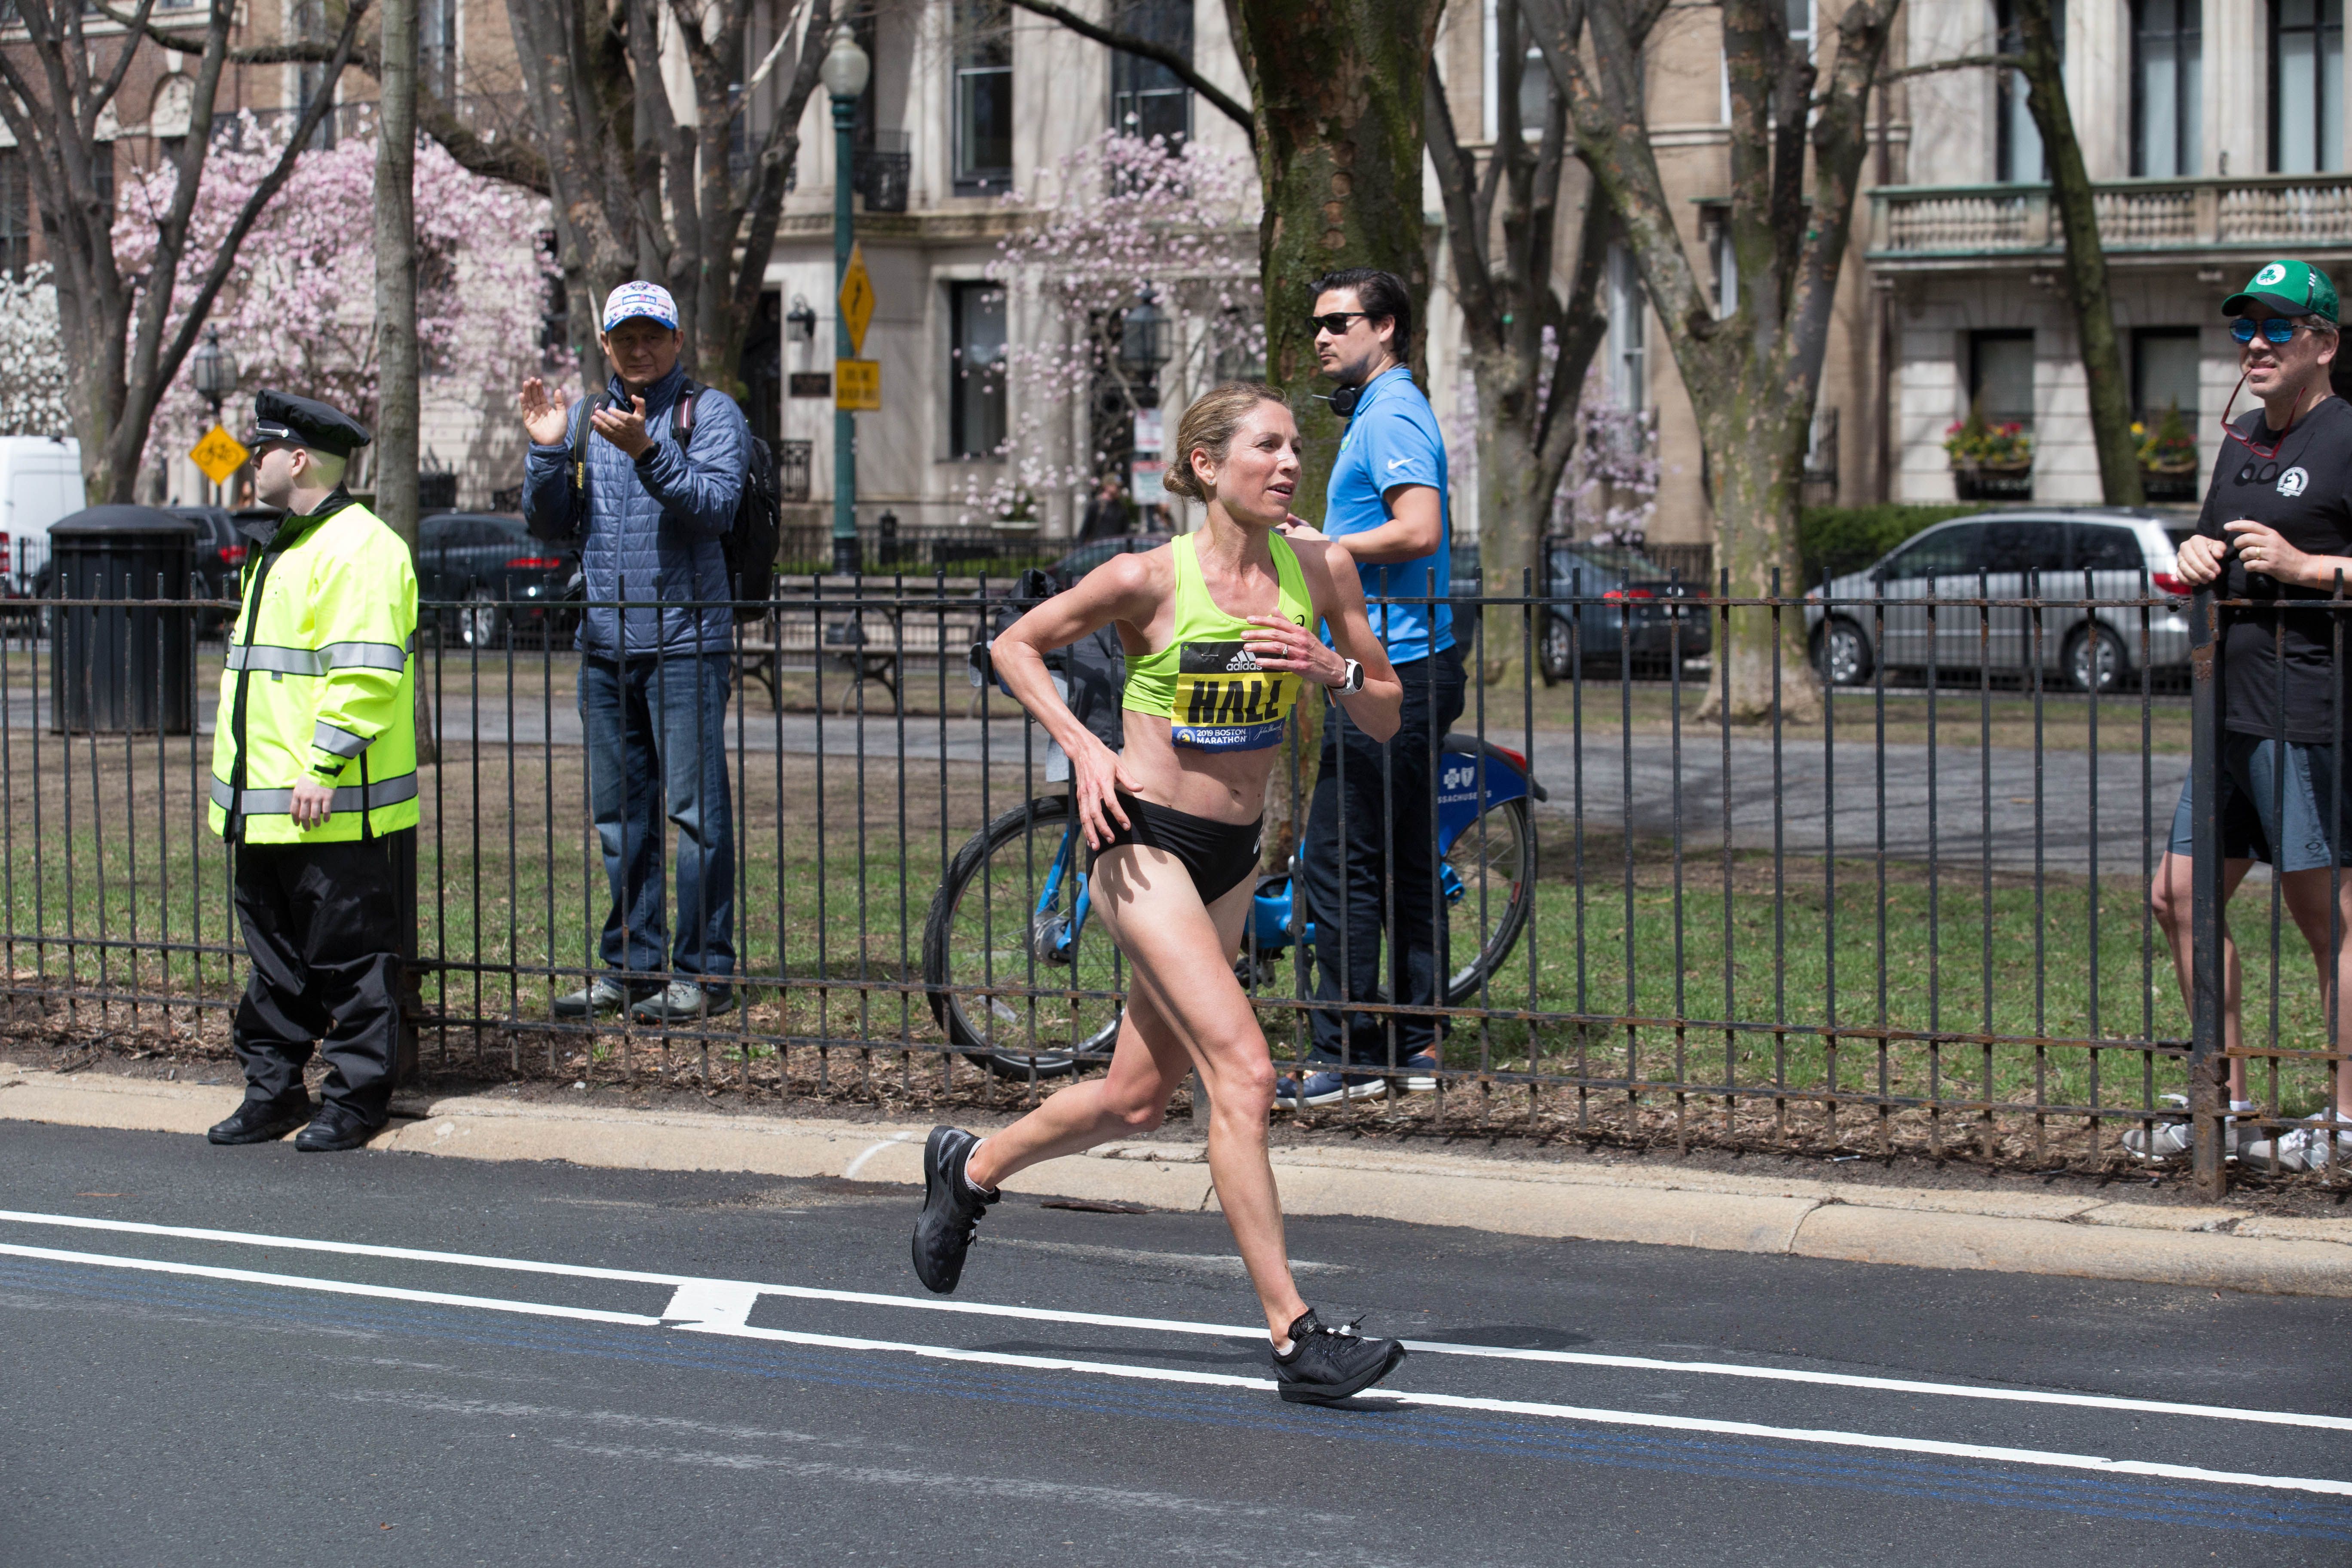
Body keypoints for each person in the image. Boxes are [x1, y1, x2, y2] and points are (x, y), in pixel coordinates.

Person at [910, 382, 1413, 1405]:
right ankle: (1295, 1337)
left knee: (1138, 1098)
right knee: (1245, 1072)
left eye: (1292, 450)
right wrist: (1083, 747)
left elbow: (1389, 716)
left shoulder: (1319, 569)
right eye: (1263, 449)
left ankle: (968, 1170)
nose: (1286, 466)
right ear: (1202, 467)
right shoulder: (1145, 578)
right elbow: (1016, 644)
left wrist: (1331, 669)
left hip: (1231, 856)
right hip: (1140, 844)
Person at [2147, 257, 2352, 1172]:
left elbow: (2308, 567)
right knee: (2177, 897)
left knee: (2330, 919)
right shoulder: (2238, 444)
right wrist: (2194, 553)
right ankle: (2221, 1102)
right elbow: (2215, 548)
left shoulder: (2349, 436)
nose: (2257, 344)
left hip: (2306, 713)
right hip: (2225, 714)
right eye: (2245, 329)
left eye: (2276, 329)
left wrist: (2309, 569)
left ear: (2323, 343)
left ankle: (2348, 1121)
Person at [519, 281, 747, 1023]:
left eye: (653, 335)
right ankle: (630, 966)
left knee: (694, 815)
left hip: (687, 643)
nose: (639, 348)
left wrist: (649, 451)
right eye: (625, 337)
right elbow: (549, 524)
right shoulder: (588, 417)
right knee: (621, 817)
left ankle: (705, 972)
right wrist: (547, 450)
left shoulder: (708, 414)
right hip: (606, 647)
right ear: (607, 344)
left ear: (678, 342)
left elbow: (715, 506)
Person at [202, 391, 419, 1155]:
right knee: (276, 964)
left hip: (326, 800)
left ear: (296, 458)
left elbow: (363, 673)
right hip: (266, 803)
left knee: (351, 958)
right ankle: (272, 1091)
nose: (247, 461)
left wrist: (324, 763)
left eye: (258, 450)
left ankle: (357, 1102)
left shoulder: (360, 547)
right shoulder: (285, 546)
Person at [1279, 267, 1465, 1107]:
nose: (1321, 336)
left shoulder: (1390, 412)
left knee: (1339, 859)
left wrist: (1327, 547)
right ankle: (1417, 1046)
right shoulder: (1389, 409)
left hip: (1390, 668)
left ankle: (1347, 1054)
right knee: (1402, 858)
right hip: (1413, 661)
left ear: (1384, 327)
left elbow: (1419, 529)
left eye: (1338, 322)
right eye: (1314, 323)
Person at [1078, 473, 1131, 543]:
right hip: (1099, 546)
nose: (1118, 489)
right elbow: (1086, 529)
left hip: (1117, 547)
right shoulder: (1096, 505)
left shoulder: (1121, 507)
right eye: (1116, 486)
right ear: (1107, 486)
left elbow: (1126, 530)